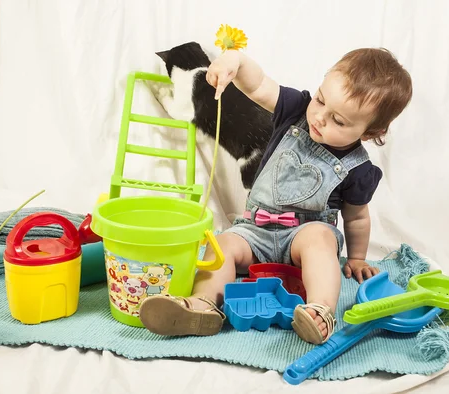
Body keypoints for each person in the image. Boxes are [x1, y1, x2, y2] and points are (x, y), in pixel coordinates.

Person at [139, 47, 413, 344]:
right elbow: (257, 85)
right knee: (224, 242)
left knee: (319, 239)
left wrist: (357, 258)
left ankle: (320, 311)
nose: (320, 117)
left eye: (339, 121)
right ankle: (203, 305)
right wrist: (236, 61)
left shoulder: (358, 169)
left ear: (370, 132)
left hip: (303, 237)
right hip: (255, 230)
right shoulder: (296, 109)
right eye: (321, 99)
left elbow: (357, 217)